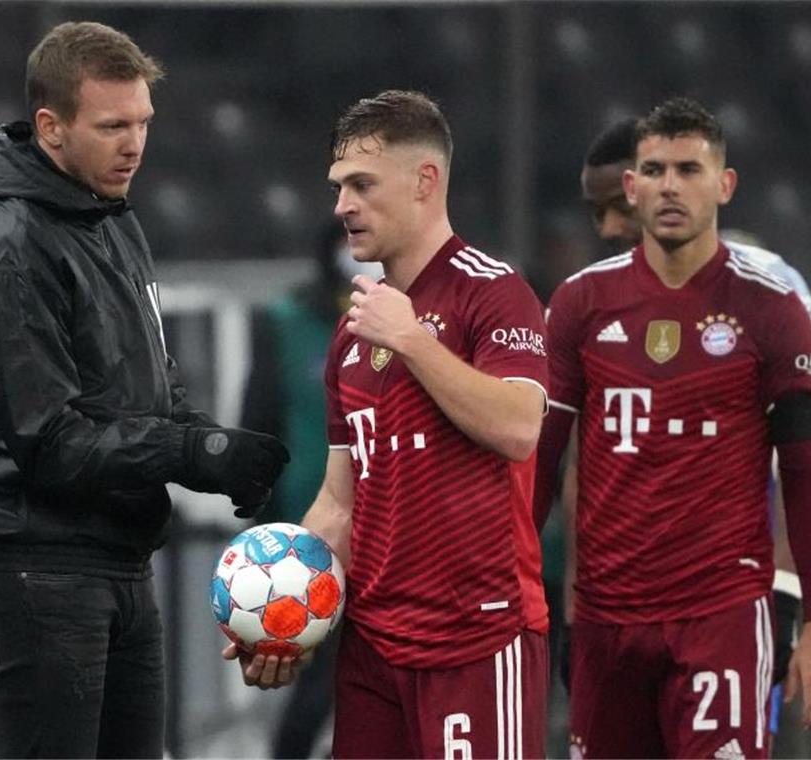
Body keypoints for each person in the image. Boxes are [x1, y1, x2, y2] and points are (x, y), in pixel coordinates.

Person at [0, 21, 289, 759]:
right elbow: (50, 442)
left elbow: (154, 390)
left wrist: (215, 458)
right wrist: (195, 450)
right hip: (34, 567)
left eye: (144, 123)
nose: (135, 144)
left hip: (118, 560)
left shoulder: (114, 222)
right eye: (112, 125)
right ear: (50, 128)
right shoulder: (7, 246)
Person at [224, 90, 551, 759]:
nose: (343, 205)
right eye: (340, 186)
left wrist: (415, 341)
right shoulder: (352, 333)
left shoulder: (493, 292)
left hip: (478, 640)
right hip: (373, 647)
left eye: (363, 185)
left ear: (425, 181)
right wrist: (279, 614)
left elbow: (521, 427)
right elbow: (339, 502)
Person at [535, 97, 811, 759]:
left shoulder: (774, 301)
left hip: (727, 604)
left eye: (688, 170)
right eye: (653, 172)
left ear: (723, 185)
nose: (668, 186)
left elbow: (804, 470)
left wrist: (810, 612)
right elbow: (558, 469)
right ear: (634, 183)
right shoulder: (581, 304)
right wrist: (541, 602)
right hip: (608, 614)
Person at [240, 222, 382, 759]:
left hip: (389, 537)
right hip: (306, 542)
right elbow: (257, 430)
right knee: (312, 689)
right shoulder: (284, 323)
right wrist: (261, 540)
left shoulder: (406, 326)